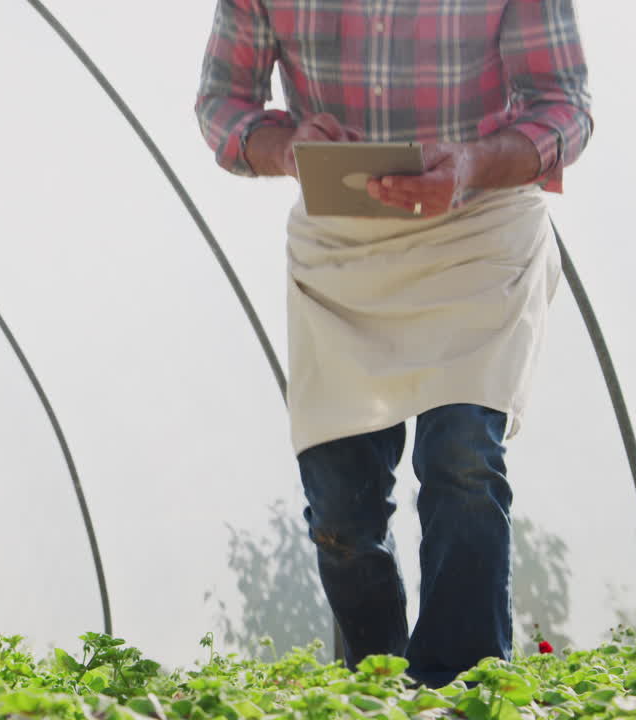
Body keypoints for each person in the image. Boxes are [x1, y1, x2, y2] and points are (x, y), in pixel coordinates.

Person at [194, 0, 592, 687]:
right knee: (341, 511)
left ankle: (457, 690)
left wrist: (467, 164)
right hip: (342, 243)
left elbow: (563, 107)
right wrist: (288, 147)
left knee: (463, 458)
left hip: (479, 226)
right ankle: (378, 691)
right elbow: (224, 105)